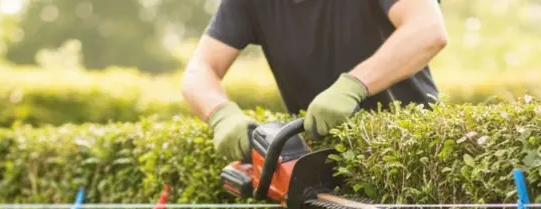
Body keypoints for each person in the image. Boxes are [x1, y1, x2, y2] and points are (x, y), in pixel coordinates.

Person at [182, 0, 448, 161]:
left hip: (416, 153)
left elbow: (428, 30)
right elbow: (199, 70)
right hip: (321, 162)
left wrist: (353, 86)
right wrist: (221, 114)